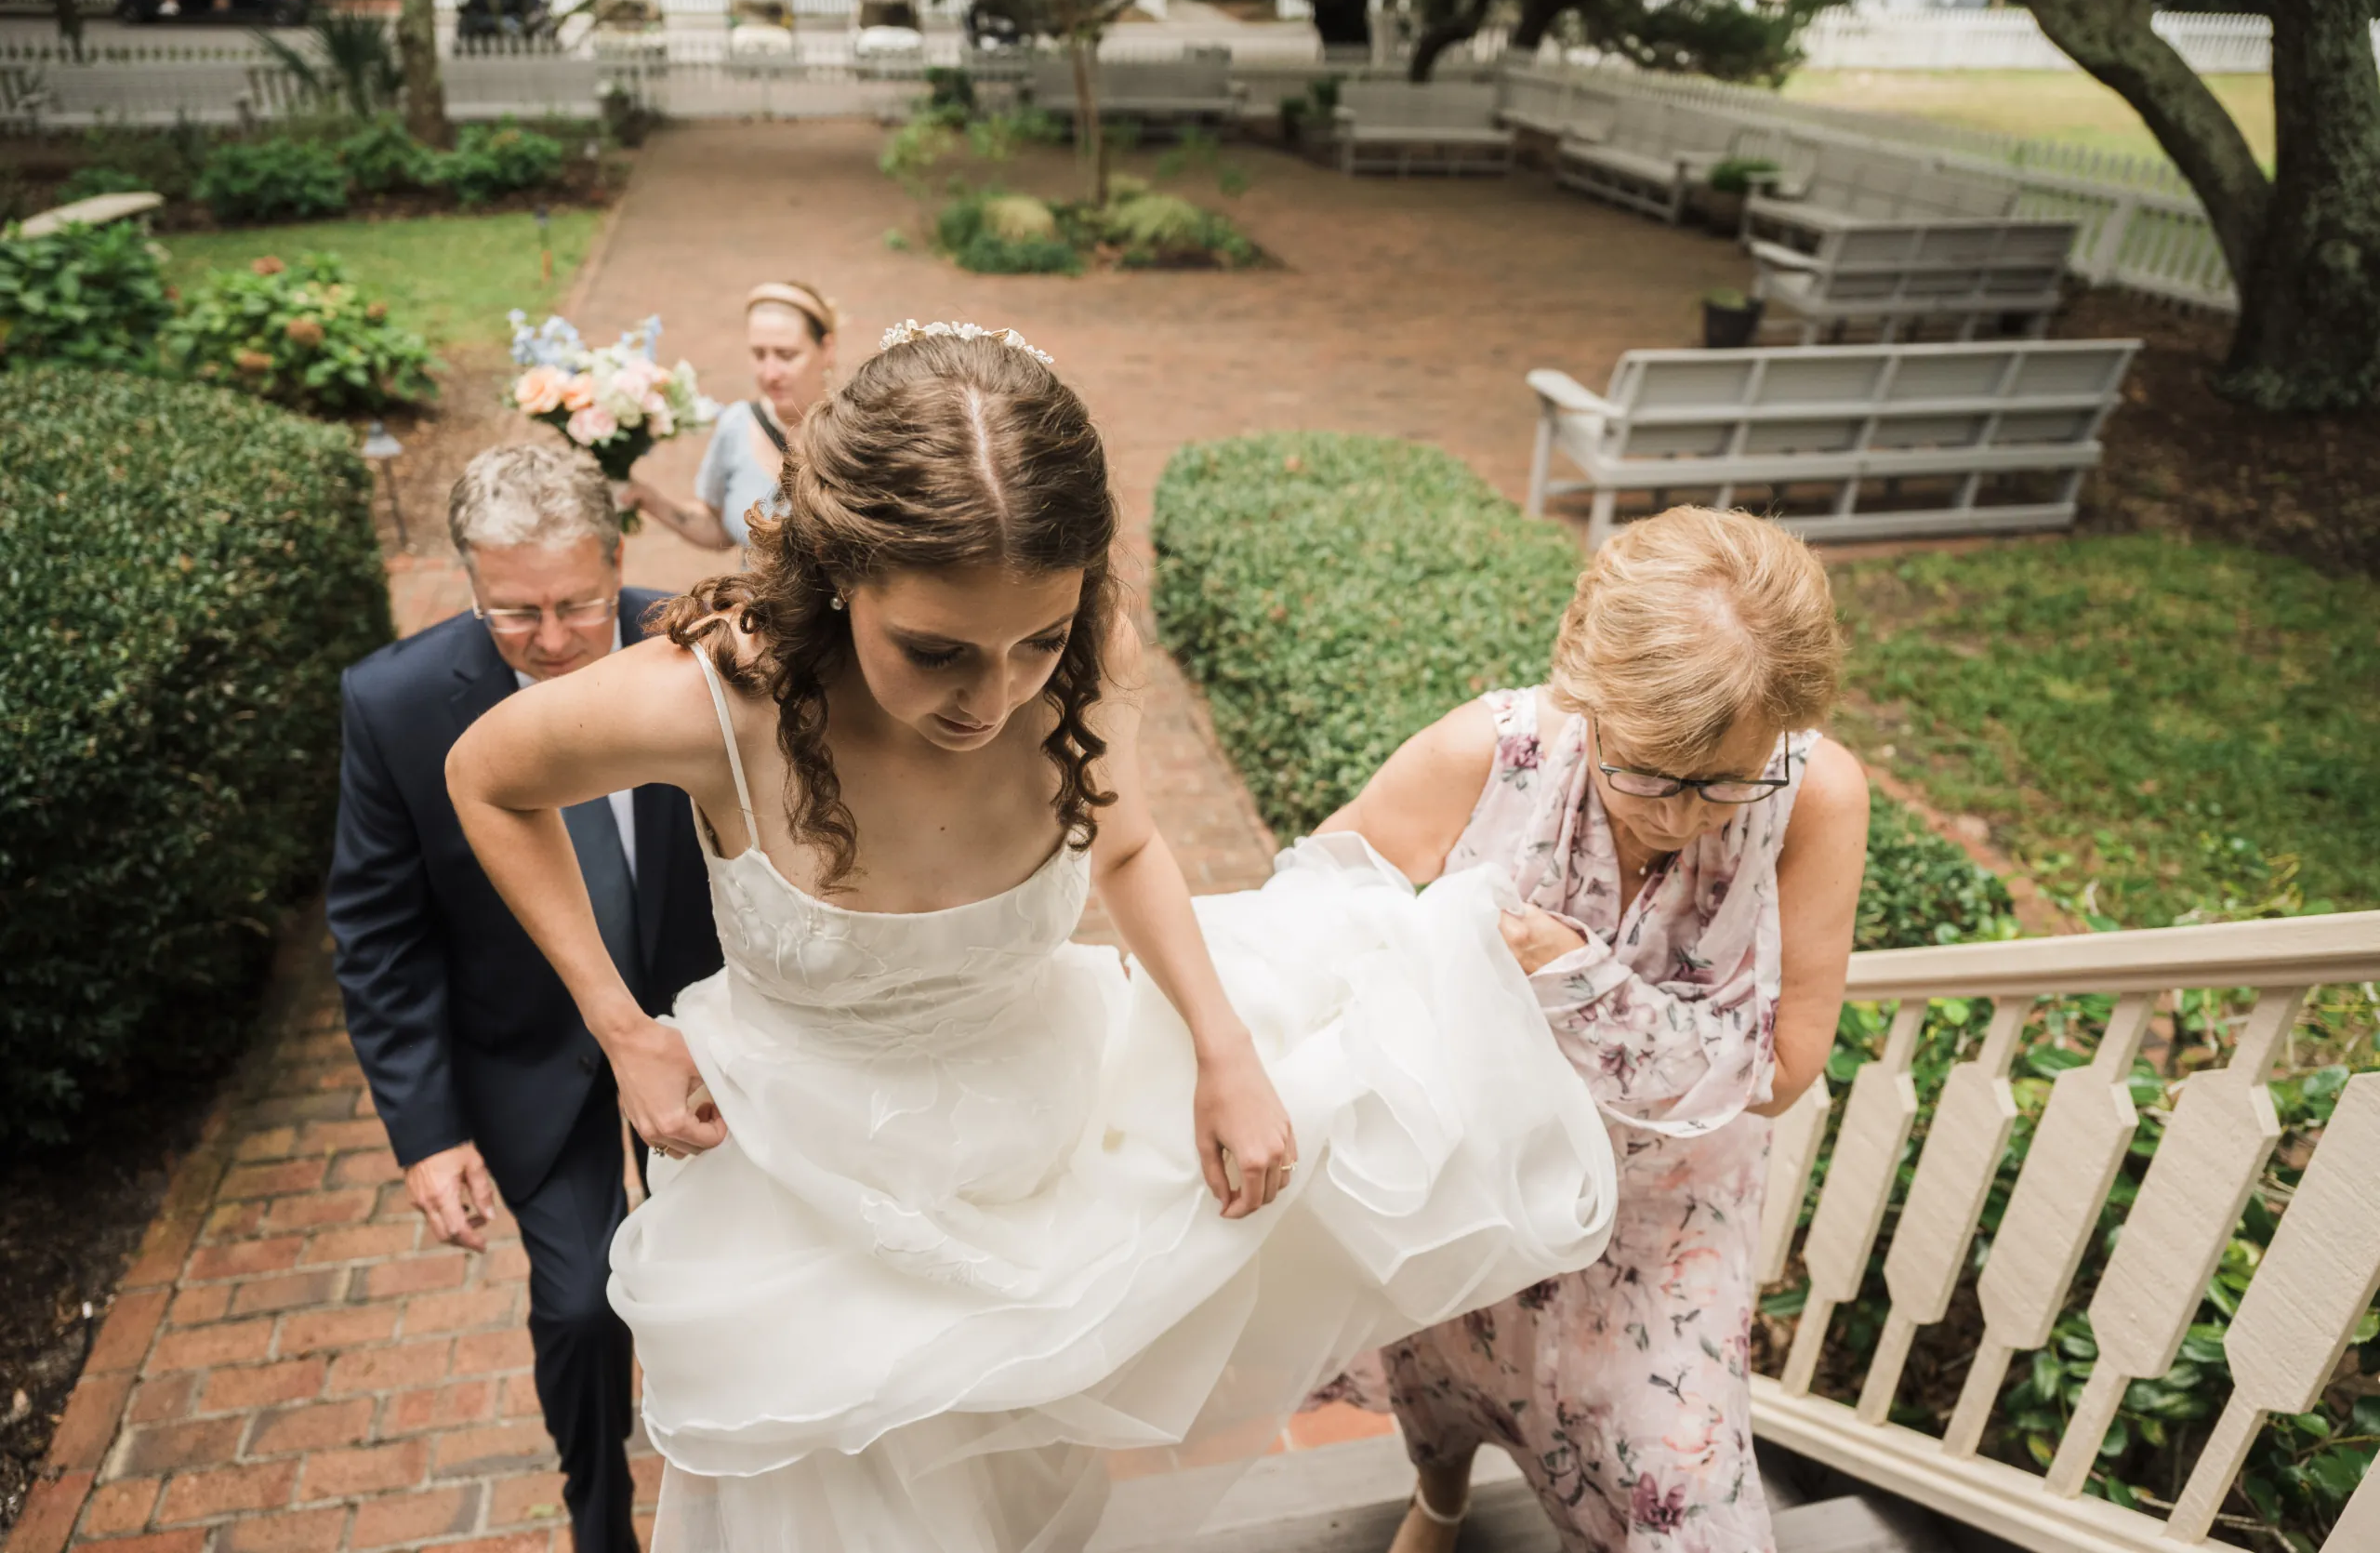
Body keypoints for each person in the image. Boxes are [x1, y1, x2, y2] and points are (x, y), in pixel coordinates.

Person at [443, 321, 1624, 1553]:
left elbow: (1122, 845)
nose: (992, 698)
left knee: (1013, 1490)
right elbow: (486, 777)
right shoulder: (715, 700)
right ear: (842, 571)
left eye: (1036, 640)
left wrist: (1223, 1050)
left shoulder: (1080, 667)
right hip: (806, 1198)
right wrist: (619, 1025)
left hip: (1039, 1154)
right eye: (936, 650)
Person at [1314, 505, 1870, 1553]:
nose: (1680, 815)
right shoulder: (1488, 751)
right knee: (1440, 1365)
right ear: (1587, 690)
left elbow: (1788, 1066)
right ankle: (1438, 1500)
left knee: (1686, 1493)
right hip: (1480, 1180)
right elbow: (1318, 911)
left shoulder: (1816, 796)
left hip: (1665, 1220)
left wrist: (1574, 978)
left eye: (1722, 781)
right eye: (1647, 771)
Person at [327, 445, 725, 1553]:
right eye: (513, 614)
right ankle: (600, 1522)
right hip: (527, 1049)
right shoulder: (394, 703)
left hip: (710, 1034)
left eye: (577, 605)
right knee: (579, 1308)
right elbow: (377, 932)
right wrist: (427, 1131)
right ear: (467, 580)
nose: (551, 641)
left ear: (617, 558)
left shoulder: (700, 646)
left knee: (732, 1282)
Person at [628, 280, 840, 551]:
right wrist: (649, 500)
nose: (770, 373)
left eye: (786, 355)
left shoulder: (855, 430)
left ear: (827, 350)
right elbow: (720, 530)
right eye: (759, 354)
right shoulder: (737, 425)